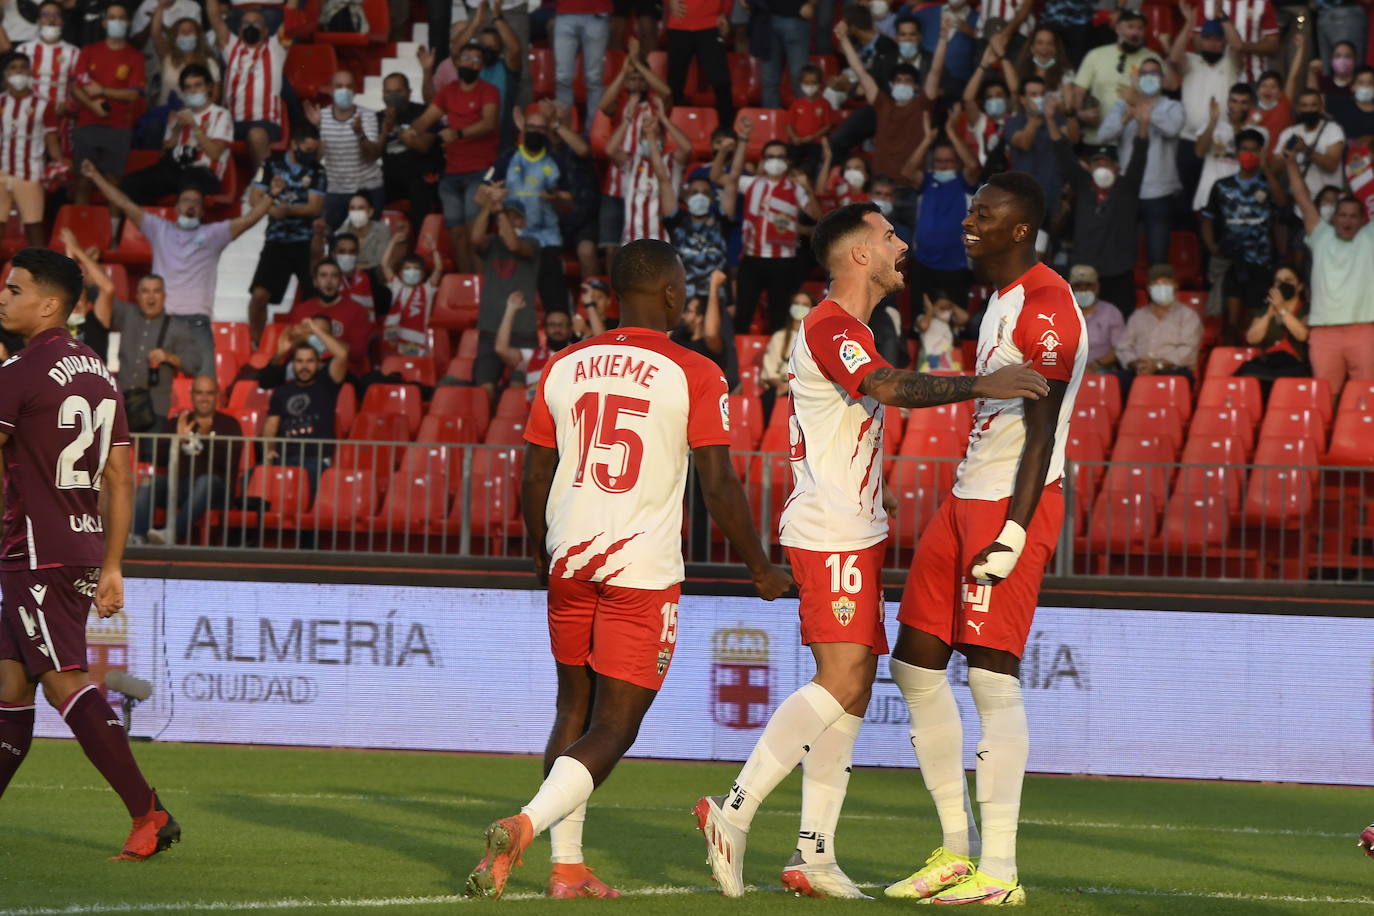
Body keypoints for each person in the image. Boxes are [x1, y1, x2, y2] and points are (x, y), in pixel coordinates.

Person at [695, 199, 1048, 900]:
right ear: (859, 254)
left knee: (852, 693)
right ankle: (732, 814)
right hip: (829, 533)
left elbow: (848, 417)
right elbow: (885, 386)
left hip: (852, 527)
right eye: (889, 236)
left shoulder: (850, 326)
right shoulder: (830, 325)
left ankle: (814, 855)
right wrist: (982, 383)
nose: (901, 245)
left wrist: (875, 487)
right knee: (844, 679)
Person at [465, 238, 792, 900]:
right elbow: (719, 483)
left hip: (570, 557)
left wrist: (538, 546)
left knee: (572, 708)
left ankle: (567, 869)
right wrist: (760, 567)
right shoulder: (694, 371)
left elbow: (534, 470)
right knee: (616, 727)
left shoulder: (563, 364)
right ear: (672, 294)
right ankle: (525, 827)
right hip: (640, 570)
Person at [881, 173, 1082, 907]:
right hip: (966, 495)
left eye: (984, 216)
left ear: (1019, 230)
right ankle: (955, 852)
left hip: (1011, 503)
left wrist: (1017, 530)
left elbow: (1042, 431)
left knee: (992, 680)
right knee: (914, 666)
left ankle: (1000, 871)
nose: (969, 223)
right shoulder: (998, 298)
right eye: (970, 212)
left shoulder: (1050, 306)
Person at [0, 247, 180, 861]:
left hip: (35, 548)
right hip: (77, 546)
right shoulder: (100, 372)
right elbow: (121, 477)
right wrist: (111, 564)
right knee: (10, 684)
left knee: (62, 682)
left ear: (48, 304)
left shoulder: (18, 372)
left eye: (14, 288)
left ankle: (147, 812)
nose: (4, 297)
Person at [82, 159, 278, 372]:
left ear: (202, 211)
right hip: (159, 320)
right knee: (142, 383)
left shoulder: (214, 234)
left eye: (196, 202)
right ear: (176, 208)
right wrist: (95, 176)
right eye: (186, 201)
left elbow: (249, 219)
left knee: (206, 383)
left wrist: (272, 196)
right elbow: (123, 203)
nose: (191, 206)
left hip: (197, 323)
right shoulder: (158, 229)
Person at [1286, 151, 1374, 401]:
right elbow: (1302, 198)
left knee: (1367, 398)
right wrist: (1291, 163)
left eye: (1353, 216)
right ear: (1333, 218)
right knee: (1325, 398)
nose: (1347, 220)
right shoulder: (1320, 235)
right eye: (1342, 215)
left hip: (1364, 330)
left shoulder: (1370, 237)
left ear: (1362, 220)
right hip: (1324, 333)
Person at [1052, 95, 1149, 320]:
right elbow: (1063, 153)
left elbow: (1140, 155)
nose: (1101, 167)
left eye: (1107, 163)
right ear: (1091, 166)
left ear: (1116, 167)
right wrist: (1050, 119)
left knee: (1121, 322)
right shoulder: (1083, 184)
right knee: (1077, 323)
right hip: (1084, 271)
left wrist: (1143, 124)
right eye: (1097, 163)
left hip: (1118, 271)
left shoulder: (1127, 186)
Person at [410, 42, 499, 274]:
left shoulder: (489, 90)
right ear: (457, 62)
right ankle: (466, 283)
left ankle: (482, 288)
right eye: (466, 57)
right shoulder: (449, 90)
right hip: (451, 173)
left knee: (474, 233)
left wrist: (458, 133)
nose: (469, 62)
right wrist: (411, 130)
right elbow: (427, 116)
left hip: (480, 171)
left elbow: (489, 124)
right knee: (456, 235)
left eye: (476, 59)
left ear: (482, 66)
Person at [720, 129, 821, 333]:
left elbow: (819, 217)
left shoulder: (796, 189)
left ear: (788, 161)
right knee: (743, 315)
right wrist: (739, 143)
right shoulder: (751, 184)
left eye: (780, 157)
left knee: (780, 317)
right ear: (763, 160)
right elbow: (718, 177)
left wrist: (808, 188)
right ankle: (737, 361)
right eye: (770, 157)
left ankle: (777, 362)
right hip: (751, 259)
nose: (775, 161)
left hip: (783, 262)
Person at [131, 375, 243, 545]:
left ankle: (172, 534)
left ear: (217, 395)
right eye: (199, 393)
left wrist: (204, 438)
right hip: (181, 486)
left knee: (206, 481)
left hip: (216, 490)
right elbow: (159, 459)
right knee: (150, 483)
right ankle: (138, 536)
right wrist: (177, 440)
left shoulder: (229, 424)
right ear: (191, 395)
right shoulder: (177, 422)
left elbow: (228, 461)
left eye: (209, 393)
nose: (204, 398)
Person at [1200, 129, 1284, 340]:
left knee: (1257, 319)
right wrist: (1212, 246)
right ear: (1236, 152)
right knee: (1231, 324)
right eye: (1245, 149)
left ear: (1262, 153)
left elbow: (1282, 204)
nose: (1249, 154)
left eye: (1254, 150)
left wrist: (1266, 168)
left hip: (1262, 260)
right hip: (1231, 259)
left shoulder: (1268, 184)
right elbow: (1207, 218)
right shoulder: (1222, 186)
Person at [246, 126, 327, 345]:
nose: (310, 154)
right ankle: (257, 344)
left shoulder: (317, 171)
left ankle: (314, 348)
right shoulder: (271, 165)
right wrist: (271, 209)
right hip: (276, 241)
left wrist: (287, 210)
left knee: (316, 300)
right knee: (259, 296)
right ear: (293, 144)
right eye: (306, 149)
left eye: (314, 150)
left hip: (306, 244)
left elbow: (314, 208)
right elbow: (255, 198)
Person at [93, 273, 204, 426]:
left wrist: (168, 357)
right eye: (145, 291)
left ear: (164, 296)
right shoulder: (127, 314)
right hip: (122, 405)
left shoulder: (177, 327)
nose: (151, 297)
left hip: (155, 409)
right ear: (137, 296)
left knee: (149, 451)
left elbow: (194, 363)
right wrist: (77, 253)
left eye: (156, 291)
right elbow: (100, 289)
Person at [902, 108, 980, 323]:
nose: (943, 165)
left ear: (956, 164)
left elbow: (973, 165)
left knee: (956, 323)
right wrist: (927, 140)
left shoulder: (964, 183)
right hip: (923, 263)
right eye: (939, 162)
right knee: (920, 320)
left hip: (957, 265)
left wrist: (951, 131)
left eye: (948, 161)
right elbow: (907, 172)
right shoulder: (926, 180)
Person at [122, 64, 232, 202]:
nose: (193, 91)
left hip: (205, 174)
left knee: (187, 181)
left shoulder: (221, 115)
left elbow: (215, 153)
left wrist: (194, 126)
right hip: (175, 170)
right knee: (130, 183)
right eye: (188, 87)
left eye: (198, 85)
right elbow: (164, 154)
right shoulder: (179, 115)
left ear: (209, 87)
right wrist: (176, 130)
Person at [70, 2, 145, 205]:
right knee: (83, 182)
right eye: (112, 18)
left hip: (119, 127)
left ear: (128, 23)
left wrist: (102, 91)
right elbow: (76, 87)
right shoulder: (88, 51)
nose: (117, 22)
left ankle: (112, 235)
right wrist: (92, 105)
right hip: (86, 125)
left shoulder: (135, 57)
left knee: (113, 186)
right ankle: (80, 229)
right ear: (103, 23)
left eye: (121, 18)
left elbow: (133, 95)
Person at [207, 0, 292, 170]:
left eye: (256, 23)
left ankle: (262, 186)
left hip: (264, 124)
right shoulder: (230, 46)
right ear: (239, 30)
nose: (250, 26)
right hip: (231, 123)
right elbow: (214, 17)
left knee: (256, 135)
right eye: (246, 23)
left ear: (266, 30)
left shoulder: (276, 49)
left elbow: (290, 15)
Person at [506, 105, 572, 315]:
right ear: (522, 129)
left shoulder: (556, 161)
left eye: (540, 128)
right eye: (530, 127)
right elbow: (483, 191)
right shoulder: (509, 157)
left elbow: (569, 204)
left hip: (548, 240)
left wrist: (557, 198)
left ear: (546, 133)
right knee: (514, 302)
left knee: (555, 303)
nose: (534, 132)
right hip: (515, 239)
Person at [473, 193, 540, 399]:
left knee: (519, 390)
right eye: (506, 216)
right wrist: (488, 207)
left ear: (524, 221)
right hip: (490, 329)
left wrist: (499, 210)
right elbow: (475, 239)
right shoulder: (492, 243)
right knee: (485, 391)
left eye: (515, 217)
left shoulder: (532, 243)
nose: (510, 221)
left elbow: (514, 245)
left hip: (522, 331)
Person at [263, 336, 349, 486]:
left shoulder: (327, 386)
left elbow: (342, 354)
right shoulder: (282, 391)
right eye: (300, 361)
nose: (304, 366)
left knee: (304, 479)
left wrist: (314, 328)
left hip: (315, 460)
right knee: (251, 477)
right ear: (293, 364)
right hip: (285, 458)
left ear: (318, 364)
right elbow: (271, 425)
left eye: (310, 361)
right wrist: (269, 450)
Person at [0, 52, 63, 246]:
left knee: (34, 227)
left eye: (22, 67)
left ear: (30, 72)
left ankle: (40, 273)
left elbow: (51, 141)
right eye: (13, 67)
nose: (18, 71)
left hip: (30, 174)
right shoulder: (0, 101)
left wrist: (60, 165)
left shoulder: (43, 104)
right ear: (5, 74)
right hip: (1, 172)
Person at [307, 71, 384, 229]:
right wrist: (317, 128)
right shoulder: (321, 117)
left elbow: (373, 155)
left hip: (366, 188)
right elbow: (316, 158)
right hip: (335, 188)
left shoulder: (367, 115)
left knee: (368, 239)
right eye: (339, 86)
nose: (344, 90)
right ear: (330, 90)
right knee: (330, 237)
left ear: (355, 90)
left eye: (349, 86)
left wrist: (360, 134)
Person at [1069, 11, 1159, 146]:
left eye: (1140, 28)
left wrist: (1137, 97)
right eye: (1130, 27)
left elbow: (1170, 88)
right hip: (1097, 139)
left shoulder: (1153, 59)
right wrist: (1081, 114)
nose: (1135, 33)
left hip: (1134, 143)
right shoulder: (1096, 55)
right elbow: (1078, 92)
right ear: (1117, 29)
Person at [1114, 264, 1204, 388]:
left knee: (1178, 379)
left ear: (1175, 285)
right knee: (1115, 382)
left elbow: (1188, 350)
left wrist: (1157, 365)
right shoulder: (1138, 315)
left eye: (1166, 282)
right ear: (1149, 288)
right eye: (1156, 283)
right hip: (1139, 369)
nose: (1161, 287)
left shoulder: (1188, 315)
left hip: (1172, 370)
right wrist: (1136, 364)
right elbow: (1123, 347)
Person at [281, 259, 373, 378]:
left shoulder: (356, 310)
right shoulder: (301, 310)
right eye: (323, 275)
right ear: (315, 281)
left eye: (334, 276)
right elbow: (290, 349)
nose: (329, 281)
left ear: (340, 281)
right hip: (304, 371)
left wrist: (321, 337)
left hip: (341, 374)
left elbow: (358, 353)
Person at [1004, 77, 1070, 227]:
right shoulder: (1014, 122)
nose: (1038, 99)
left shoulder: (1057, 121)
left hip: (1054, 196)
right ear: (1023, 99)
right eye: (1033, 95)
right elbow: (1024, 143)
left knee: (1050, 247)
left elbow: (1072, 139)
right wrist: (1033, 118)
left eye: (1042, 94)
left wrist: (1058, 112)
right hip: (1024, 201)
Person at [377, 73, 441, 225]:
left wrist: (395, 128)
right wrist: (385, 130)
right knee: (368, 189)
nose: (392, 96)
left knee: (419, 191)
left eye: (398, 91)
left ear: (409, 92)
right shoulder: (377, 117)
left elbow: (423, 146)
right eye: (388, 92)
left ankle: (419, 245)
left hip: (420, 177)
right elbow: (373, 154)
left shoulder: (424, 113)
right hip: (391, 178)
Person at [15, 1, 77, 148]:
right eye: (46, 15)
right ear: (38, 20)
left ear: (62, 21)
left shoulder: (74, 53)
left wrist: (68, 106)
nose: (51, 19)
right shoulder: (23, 50)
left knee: (60, 165)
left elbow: (78, 89)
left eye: (56, 15)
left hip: (61, 122)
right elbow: (13, 86)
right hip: (28, 120)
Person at [1235, 264, 1311, 384]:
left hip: (1295, 367)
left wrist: (1281, 310)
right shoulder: (1265, 310)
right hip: (1268, 365)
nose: (1283, 284)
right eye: (1278, 281)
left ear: (1300, 286)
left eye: (1288, 280)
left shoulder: (1307, 309)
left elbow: (1302, 335)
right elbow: (1252, 338)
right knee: (1246, 372)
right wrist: (1269, 314)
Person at [668, 171, 735, 301]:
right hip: (682, 298)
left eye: (705, 193)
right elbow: (664, 181)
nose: (700, 197)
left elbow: (732, 182)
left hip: (716, 298)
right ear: (686, 197)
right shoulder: (676, 222)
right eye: (694, 192)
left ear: (712, 199)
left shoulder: (721, 223)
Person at [492, 291, 577, 392]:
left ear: (571, 329)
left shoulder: (578, 355)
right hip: (534, 407)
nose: (557, 330)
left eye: (562, 325)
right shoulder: (532, 356)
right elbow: (501, 349)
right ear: (545, 329)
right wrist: (511, 310)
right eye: (552, 325)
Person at [380, 226, 443, 359]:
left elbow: (439, 268)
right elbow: (384, 264)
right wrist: (393, 242)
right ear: (400, 273)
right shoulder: (396, 285)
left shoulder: (427, 289)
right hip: (396, 339)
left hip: (418, 340)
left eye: (416, 268)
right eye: (407, 268)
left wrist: (434, 250)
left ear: (422, 274)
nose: (411, 271)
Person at [1275, 90, 1346, 206]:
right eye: (1304, 105)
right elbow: (1274, 170)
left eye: (1314, 105)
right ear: (1298, 109)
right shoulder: (1289, 133)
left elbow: (1331, 165)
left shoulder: (1333, 129)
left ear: (1321, 107)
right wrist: (1285, 153)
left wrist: (1305, 150)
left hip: (1327, 203)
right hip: (1298, 203)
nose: (1309, 109)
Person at [670, 268, 738, 390]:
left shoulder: (712, 346)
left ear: (701, 317)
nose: (684, 315)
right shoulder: (679, 337)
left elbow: (711, 334)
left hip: (704, 394)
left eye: (689, 312)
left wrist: (714, 286)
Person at [664, 0, 729, 125]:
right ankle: (671, 128)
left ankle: (726, 131)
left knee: (721, 82)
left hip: (711, 22)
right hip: (680, 22)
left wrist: (725, 12)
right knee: (674, 84)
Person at [1192, 83, 1254, 212]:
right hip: (1208, 195)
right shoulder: (1211, 125)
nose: (1237, 106)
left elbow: (1248, 162)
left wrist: (1237, 127)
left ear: (1251, 105)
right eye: (1234, 101)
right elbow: (1199, 152)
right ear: (1228, 102)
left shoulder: (1257, 132)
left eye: (1243, 102)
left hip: (1239, 198)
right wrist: (1213, 122)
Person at [552, 0, 610, 126]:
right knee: (563, 78)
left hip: (596, 12)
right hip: (566, 11)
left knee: (594, 78)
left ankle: (593, 131)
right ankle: (565, 130)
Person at [147, 12, 219, 106]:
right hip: (166, 115)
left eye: (190, 31)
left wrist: (201, 114)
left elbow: (216, 95)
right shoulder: (167, 58)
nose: (186, 34)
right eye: (182, 32)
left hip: (197, 116)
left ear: (198, 36)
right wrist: (160, 7)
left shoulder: (209, 62)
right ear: (175, 36)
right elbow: (155, 34)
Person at [759, 291, 810, 420]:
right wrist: (782, 386)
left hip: (807, 387)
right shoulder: (779, 337)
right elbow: (769, 372)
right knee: (768, 398)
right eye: (797, 303)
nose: (800, 307)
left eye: (805, 304)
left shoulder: (815, 338)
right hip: (781, 385)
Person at [1069, 264, 1125, 373]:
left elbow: (1119, 348)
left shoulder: (1111, 312)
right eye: (1078, 286)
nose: (1083, 290)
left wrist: (1095, 365)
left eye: (1088, 286)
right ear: (1071, 288)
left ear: (1097, 287)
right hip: (1067, 369)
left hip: (1100, 368)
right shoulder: (1060, 313)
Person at [336, 193, 392, 270]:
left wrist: (354, 267)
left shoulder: (382, 230)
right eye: (352, 208)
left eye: (361, 208)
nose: (356, 212)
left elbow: (380, 263)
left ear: (370, 212)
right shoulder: (341, 233)